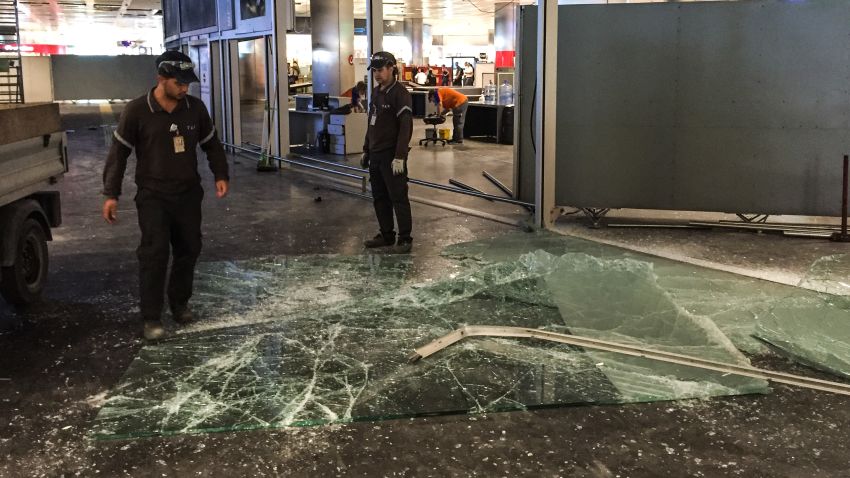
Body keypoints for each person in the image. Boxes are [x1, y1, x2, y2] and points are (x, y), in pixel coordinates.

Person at [102, 50, 230, 340]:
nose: (185, 88)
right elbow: (118, 154)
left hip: (187, 194)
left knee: (189, 249)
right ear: (161, 78)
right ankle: (151, 317)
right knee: (154, 253)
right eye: (179, 83)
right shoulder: (137, 110)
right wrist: (111, 193)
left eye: (188, 83)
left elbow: (211, 145)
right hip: (153, 196)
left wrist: (221, 174)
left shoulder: (195, 109)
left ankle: (179, 302)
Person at [360, 51, 414, 254]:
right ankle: (387, 234)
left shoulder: (400, 94)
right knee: (380, 197)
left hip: (392, 156)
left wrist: (400, 156)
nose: (377, 74)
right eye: (374, 70)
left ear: (392, 68)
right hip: (376, 154)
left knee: (398, 197)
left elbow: (405, 127)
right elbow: (371, 122)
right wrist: (366, 149)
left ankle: (405, 238)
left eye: (380, 70)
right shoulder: (376, 92)